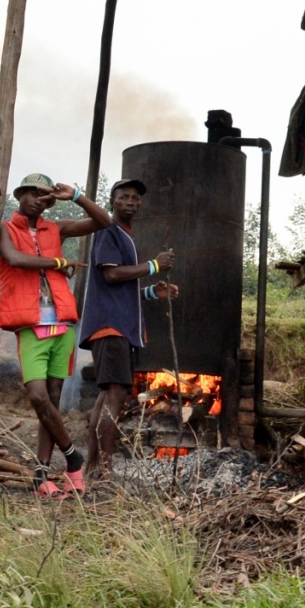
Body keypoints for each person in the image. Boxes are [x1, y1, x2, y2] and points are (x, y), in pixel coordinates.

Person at [0, 173, 111, 498]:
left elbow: (103, 221)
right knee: (38, 397)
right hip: (30, 326)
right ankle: (74, 459)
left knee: (54, 401)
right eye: (32, 194)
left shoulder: (55, 227)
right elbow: (15, 259)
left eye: (45, 197)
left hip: (62, 326)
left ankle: (41, 477)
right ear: (20, 196)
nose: (39, 200)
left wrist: (74, 195)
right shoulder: (4, 228)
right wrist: (59, 261)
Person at [78, 179, 178, 477]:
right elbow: (110, 275)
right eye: (124, 197)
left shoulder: (124, 235)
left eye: (135, 198)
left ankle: (95, 468)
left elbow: (120, 288)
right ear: (113, 202)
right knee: (115, 395)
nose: (131, 202)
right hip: (111, 328)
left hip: (116, 327)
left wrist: (150, 292)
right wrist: (154, 266)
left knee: (106, 396)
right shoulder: (108, 230)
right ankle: (104, 468)